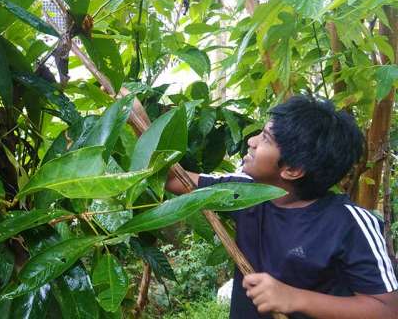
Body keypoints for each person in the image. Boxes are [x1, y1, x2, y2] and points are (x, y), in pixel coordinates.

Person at [166, 95, 398, 318]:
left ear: (293, 170)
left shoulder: (350, 224)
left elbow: (387, 311)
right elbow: (175, 179)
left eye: (265, 138)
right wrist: (133, 112)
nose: (251, 141)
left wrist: (293, 298)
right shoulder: (245, 193)